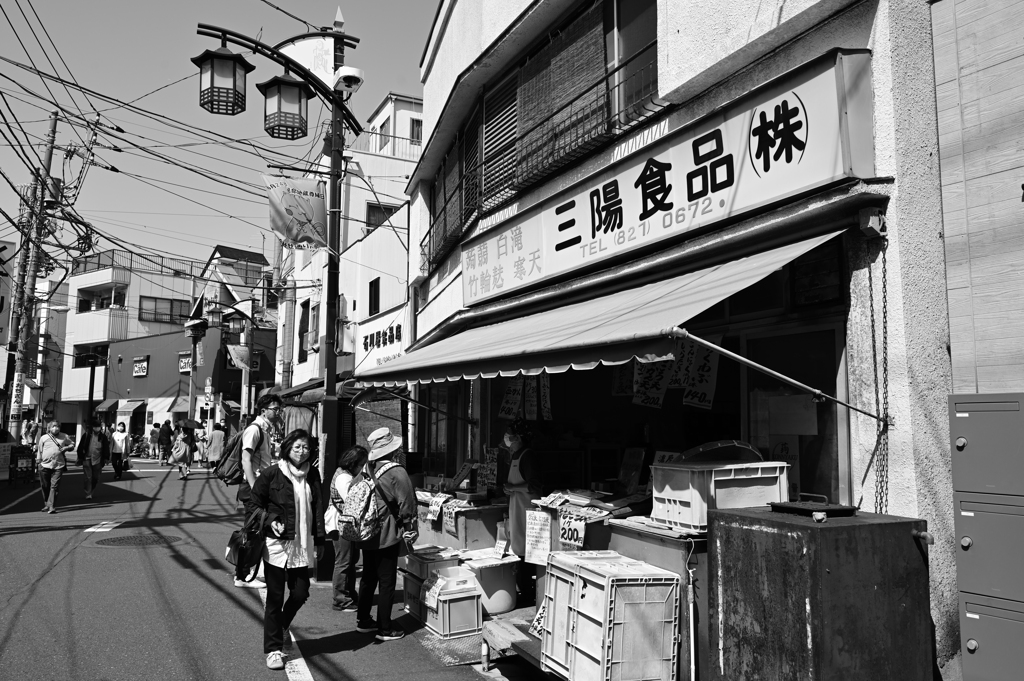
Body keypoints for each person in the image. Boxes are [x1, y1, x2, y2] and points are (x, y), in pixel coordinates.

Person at [246, 429, 326, 671]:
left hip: (302, 543)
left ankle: (281, 625)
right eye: (297, 447)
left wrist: (321, 540)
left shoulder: (313, 474)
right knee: (275, 597)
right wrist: (271, 519)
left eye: (306, 447)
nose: (302, 451)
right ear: (288, 448)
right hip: (277, 545)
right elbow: (253, 503)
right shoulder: (273, 473)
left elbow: (318, 507)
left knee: (301, 592)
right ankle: (273, 649)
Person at [355, 427, 417, 642]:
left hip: (367, 530)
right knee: (387, 581)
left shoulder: (367, 467)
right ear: (394, 449)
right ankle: (385, 628)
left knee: (368, 577)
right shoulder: (396, 471)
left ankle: (363, 620)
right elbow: (407, 504)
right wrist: (410, 528)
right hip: (386, 532)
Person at [235, 394, 283, 588]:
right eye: (275, 408)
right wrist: (256, 487)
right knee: (253, 531)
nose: (278, 412)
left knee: (259, 529)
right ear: (263, 410)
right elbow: (246, 460)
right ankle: (242, 575)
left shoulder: (266, 429)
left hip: (261, 486)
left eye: (279, 408)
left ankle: (252, 570)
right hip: (253, 487)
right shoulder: (254, 430)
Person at [502, 418, 542, 604]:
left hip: (529, 511)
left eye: (509, 434)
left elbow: (534, 486)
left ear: (518, 437)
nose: (506, 437)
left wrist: (513, 488)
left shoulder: (528, 456)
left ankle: (529, 593)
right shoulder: (515, 456)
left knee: (528, 551)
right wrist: (509, 489)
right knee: (520, 549)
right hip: (517, 509)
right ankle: (524, 590)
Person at [329, 445, 368, 612]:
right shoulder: (344, 478)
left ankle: (349, 595)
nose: (363, 467)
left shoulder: (344, 474)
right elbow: (352, 501)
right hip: (341, 525)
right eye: (362, 464)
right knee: (344, 562)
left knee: (350, 561)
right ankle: (341, 599)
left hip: (344, 524)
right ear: (353, 463)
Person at [36, 420, 73, 514]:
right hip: (44, 465)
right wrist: (38, 463)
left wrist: (67, 447)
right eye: (53, 426)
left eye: (57, 426)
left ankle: (52, 506)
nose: (55, 428)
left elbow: (72, 444)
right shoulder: (43, 438)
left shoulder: (64, 436)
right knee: (45, 486)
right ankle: (46, 504)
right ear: (49, 428)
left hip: (58, 465)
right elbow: (39, 451)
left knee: (54, 486)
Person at [76, 419, 110, 500]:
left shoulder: (103, 437)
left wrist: (106, 458)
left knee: (96, 478)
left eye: (98, 426)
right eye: (95, 426)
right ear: (92, 427)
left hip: (98, 460)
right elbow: (80, 446)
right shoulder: (87, 435)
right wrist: (80, 457)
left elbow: (106, 448)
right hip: (87, 458)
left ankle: (91, 490)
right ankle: (88, 493)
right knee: (88, 477)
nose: (96, 428)